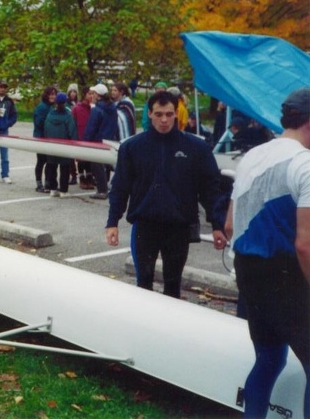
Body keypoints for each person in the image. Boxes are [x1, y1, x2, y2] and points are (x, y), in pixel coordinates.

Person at [223, 87, 310, 418]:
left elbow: (230, 224)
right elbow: (305, 243)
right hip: (287, 275)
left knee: (269, 360)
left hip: (249, 273)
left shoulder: (253, 155)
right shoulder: (305, 164)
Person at [105, 90, 227, 298]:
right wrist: (112, 222)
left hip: (178, 228)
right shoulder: (132, 147)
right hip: (145, 226)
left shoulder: (196, 147)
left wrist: (217, 225)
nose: (164, 120)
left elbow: (210, 189)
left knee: (173, 285)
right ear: (150, 114)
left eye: (169, 114)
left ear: (177, 114)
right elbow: (120, 187)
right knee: (143, 283)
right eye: (159, 114)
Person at [82, 83, 118, 199]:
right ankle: (105, 187)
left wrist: (85, 142)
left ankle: (102, 190)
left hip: (97, 140)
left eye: (94, 93)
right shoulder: (112, 107)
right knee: (105, 165)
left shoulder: (97, 109)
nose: (92, 95)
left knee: (96, 165)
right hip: (109, 139)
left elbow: (91, 127)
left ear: (98, 95)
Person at [44, 92, 78, 196]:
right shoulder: (68, 115)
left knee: (52, 168)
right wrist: (74, 143)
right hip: (64, 146)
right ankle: (63, 190)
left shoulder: (50, 115)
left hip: (52, 146)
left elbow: (46, 129)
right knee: (65, 169)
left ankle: (53, 189)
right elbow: (72, 131)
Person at [33, 86, 57, 192]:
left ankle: (48, 183)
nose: (53, 96)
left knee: (50, 161)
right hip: (41, 137)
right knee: (41, 161)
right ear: (46, 95)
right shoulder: (42, 107)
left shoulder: (52, 107)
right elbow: (38, 123)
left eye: (54, 94)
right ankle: (39, 184)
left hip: (50, 138)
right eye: (51, 94)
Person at [72, 86, 95, 190]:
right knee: (81, 159)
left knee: (89, 159)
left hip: (90, 137)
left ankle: (90, 178)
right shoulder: (77, 108)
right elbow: (73, 124)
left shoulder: (93, 108)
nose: (91, 96)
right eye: (89, 94)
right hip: (80, 137)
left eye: (92, 94)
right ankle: (82, 178)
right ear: (84, 94)